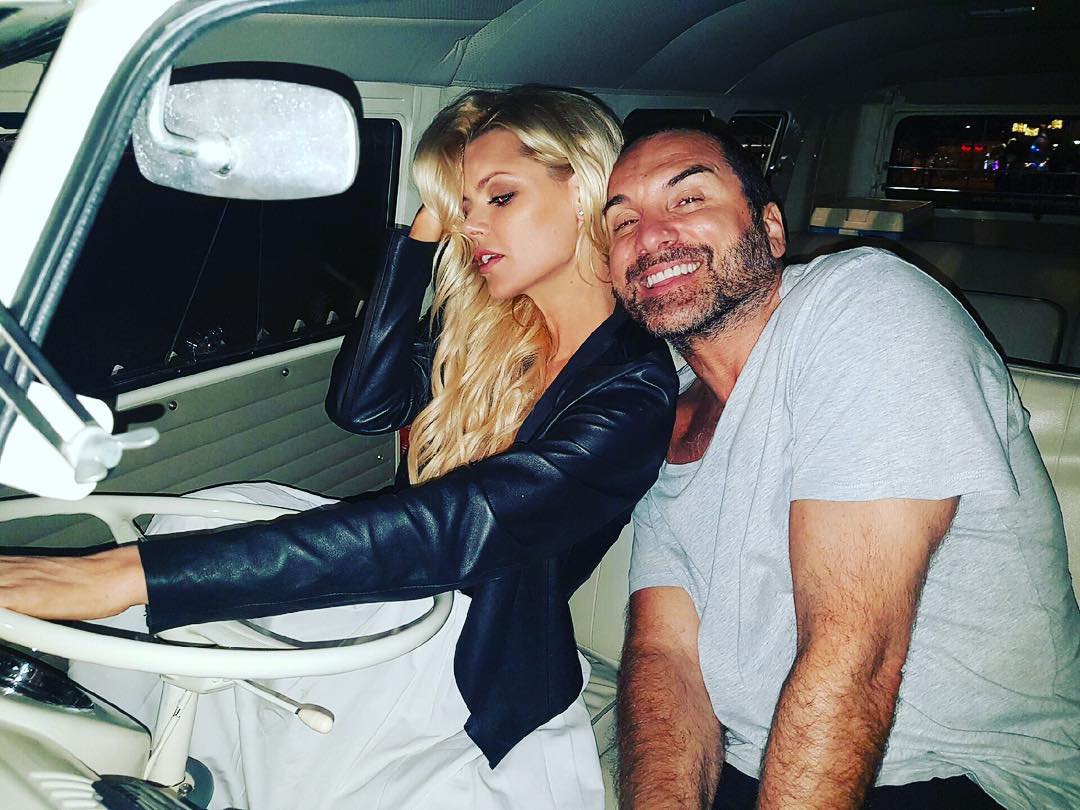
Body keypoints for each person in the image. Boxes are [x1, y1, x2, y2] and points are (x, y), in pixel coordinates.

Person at [0, 86, 678, 809]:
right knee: (194, 521)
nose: (471, 226)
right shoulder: (494, 333)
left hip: (474, 639)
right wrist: (418, 241)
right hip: (405, 581)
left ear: (583, 188)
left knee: (176, 582)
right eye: (461, 206)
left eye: (500, 197)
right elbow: (362, 406)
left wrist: (124, 575)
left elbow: (461, 526)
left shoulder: (633, 391)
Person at [603, 122, 1080, 809]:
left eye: (688, 199)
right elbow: (666, 657)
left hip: (961, 773)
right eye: (623, 222)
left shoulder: (866, 305)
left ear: (770, 230)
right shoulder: (668, 413)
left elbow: (855, 652)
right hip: (761, 761)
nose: (650, 236)